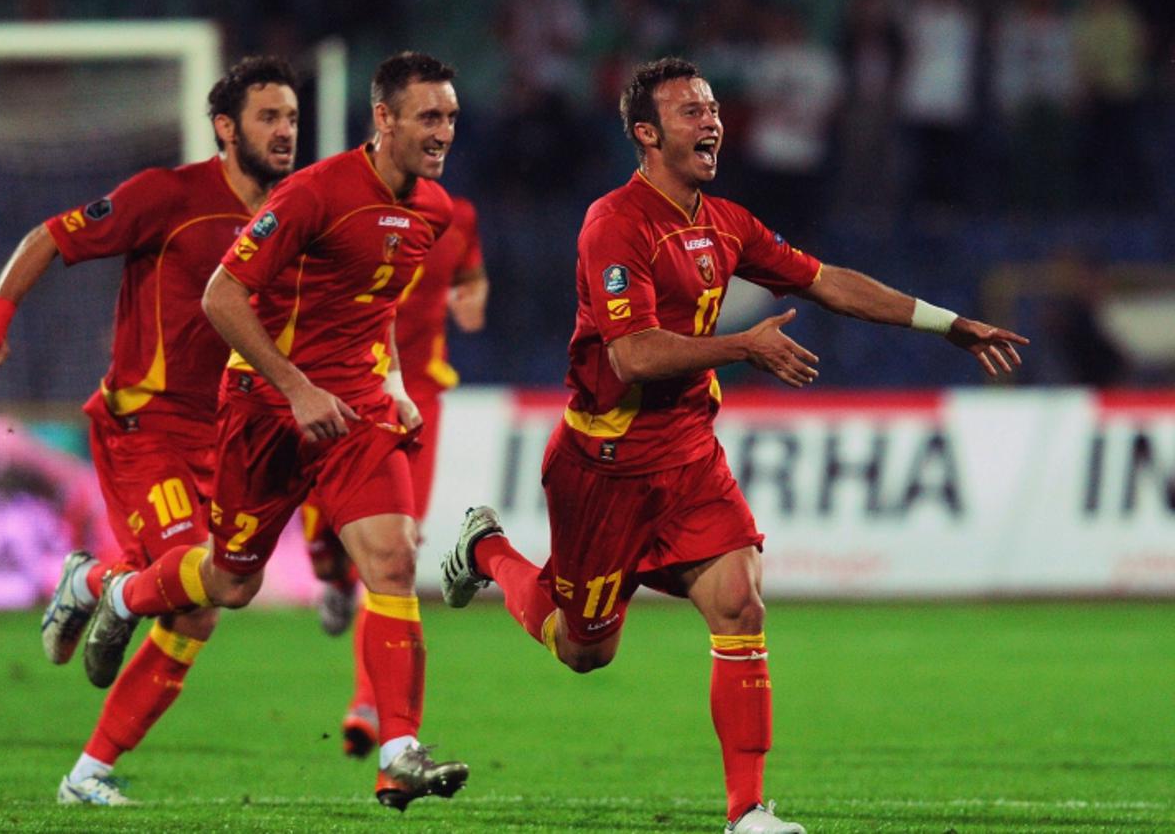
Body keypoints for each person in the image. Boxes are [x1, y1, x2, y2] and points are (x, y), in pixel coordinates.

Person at [440, 57, 1028, 834]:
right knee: (583, 650)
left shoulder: (726, 224)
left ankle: (747, 812)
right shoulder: (614, 223)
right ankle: (487, 549)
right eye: (690, 111)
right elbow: (632, 355)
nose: (711, 120)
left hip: (686, 455)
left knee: (740, 599)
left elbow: (827, 280)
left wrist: (948, 322)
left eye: (712, 107)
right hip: (603, 467)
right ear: (647, 135)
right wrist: (741, 347)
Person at [78, 51, 470, 811]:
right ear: (383, 119)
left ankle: (399, 752)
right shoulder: (313, 194)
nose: (443, 131)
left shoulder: (436, 211)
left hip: (354, 415)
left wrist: (389, 384)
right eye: (428, 116)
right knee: (228, 582)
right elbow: (223, 296)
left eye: (450, 117)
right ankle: (123, 594)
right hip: (266, 411)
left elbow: (373, 300)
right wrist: (295, 388)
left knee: (392, 558)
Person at [0, 56, 300, 806]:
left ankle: (88, 762)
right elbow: (51, 235)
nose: (285, 132)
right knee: (201, 588)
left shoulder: (293, 218)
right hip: (142, 424)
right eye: (268, 117)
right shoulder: (168, 195)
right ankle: (99, 588)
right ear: (225, 127)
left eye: (291, 118)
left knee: (198, 610)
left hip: (225, 435)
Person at [303, 194, 488, 758]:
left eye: (445, 122)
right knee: (326, 541)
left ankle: (366, 701)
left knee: (393, 550)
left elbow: (474, 277)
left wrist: (471, 301)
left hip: (419, 400)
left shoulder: (457, 216)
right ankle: (331, 579)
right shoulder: (339, 212)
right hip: (343, 391)